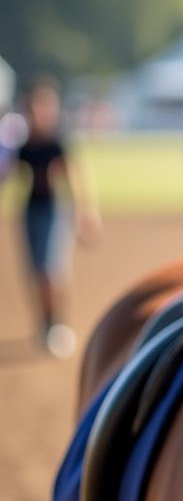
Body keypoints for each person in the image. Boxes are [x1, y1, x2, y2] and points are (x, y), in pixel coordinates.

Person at [1, 80, 101, 357]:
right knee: (34, 271)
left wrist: (86, 212)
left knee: (51, 270)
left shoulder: (57, 143)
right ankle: (44, 324)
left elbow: (75, 177)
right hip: (30, 210)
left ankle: (58, 323)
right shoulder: (23, 145)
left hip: (55, 210)